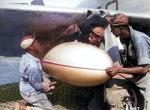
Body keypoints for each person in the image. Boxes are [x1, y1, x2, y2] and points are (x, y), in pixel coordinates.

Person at [105, 13, 150, 110]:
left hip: (147, 73)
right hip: (135, 71)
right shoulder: (123, 38)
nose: (111, 31)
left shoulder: (139, 41)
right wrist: (119, 69)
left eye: (112, 28)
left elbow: (144, 69)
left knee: (148, 103)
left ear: (120, 28)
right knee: (112, 84)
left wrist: (120, 70)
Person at [15, 35, 57, 110]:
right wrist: (48, 85)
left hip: (24, 87)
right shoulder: (33, 66)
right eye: (37, 43)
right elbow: (37, 87)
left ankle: (29, 100)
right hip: (31, 92)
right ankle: (23, 107)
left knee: (49, 83)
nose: (40, 44)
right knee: (49, 109)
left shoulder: (26, 56)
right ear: (31, 47)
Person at [88, 26, 122, 110]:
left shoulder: (107, 50)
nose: (88, 39)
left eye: (91, 37)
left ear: (99, 39)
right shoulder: (98, 46)